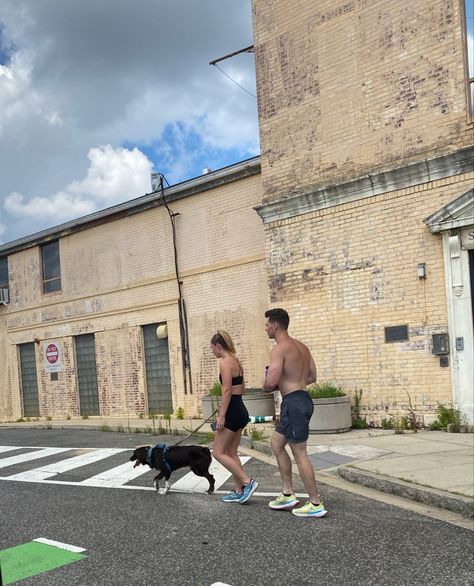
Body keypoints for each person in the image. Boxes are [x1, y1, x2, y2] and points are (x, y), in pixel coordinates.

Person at [263, 308, 327, 518]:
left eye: (267, 325)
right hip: (303, 399)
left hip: (293, 402)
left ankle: (315, 503)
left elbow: (270, 383)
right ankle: (288, 493)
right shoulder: (302, 347)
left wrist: (269, 383)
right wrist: (293, 382)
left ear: (275, 325)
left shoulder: (279, 349)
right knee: (276, 443)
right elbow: (312, 376)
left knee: (300, 454)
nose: (265, 328)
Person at [210, 330, 258, 504]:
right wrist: (225, 406)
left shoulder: (225, 362)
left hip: (231, 411)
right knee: (231, 452)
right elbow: (240, 389)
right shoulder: (236, 361)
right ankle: (238, 491)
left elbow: (227, 389)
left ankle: (248, 482)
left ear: (218, 345)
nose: (212, 352)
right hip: (239, 408)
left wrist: (222, 415)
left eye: (212, 348)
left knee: (218, 452)